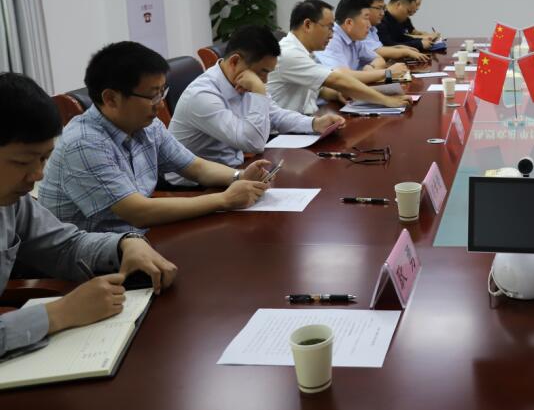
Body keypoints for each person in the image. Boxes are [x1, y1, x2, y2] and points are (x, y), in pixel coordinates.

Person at [0, 73, 178, 358]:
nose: (38, 174)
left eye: (44, 158)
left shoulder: (11, 202)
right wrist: (59, 313)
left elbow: (65, 246)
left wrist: (124, 244)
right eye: (22, 162)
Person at [38, 42, 272, 234]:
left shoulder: (147, 126)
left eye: (162, 92)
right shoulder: (84, 143)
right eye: (152, 95)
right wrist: (225, 199)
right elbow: (138, 212)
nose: (160, 104)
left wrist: (239, 176)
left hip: (137, 238)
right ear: (110, 99)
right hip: (92, 259)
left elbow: (196, 167)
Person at [169, 25, 345, 180]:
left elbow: (275, 114)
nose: (265, 80)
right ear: (235, 61)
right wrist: (258, 91)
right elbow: (253, 144)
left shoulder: (241, 81)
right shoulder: (203, 95)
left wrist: (314, 123)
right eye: (262, 72)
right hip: (195, 186)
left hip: (234, 170)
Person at [267, 0, 412, 115]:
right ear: (308, 25)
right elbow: (337, 79)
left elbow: (316, 88)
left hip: (304, 121)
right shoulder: (290, 53)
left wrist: (336, 94)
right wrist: (386, 101)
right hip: (282, 133)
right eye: (329, 27)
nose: (331, 34)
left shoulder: (305, 51)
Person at [316, 0, 409, 84]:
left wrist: (370, 67)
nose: (369, 25)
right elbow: (342, 77)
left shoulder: (354, 38)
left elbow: (379, 59)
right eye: (366, 18)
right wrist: (388, 73)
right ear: (349, 23)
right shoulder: (331, 39)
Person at [357, 0, 429, 64]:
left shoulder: (372, 28)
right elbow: (376, 51)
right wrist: (405, 52)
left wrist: (398, 48)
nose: (382, 13)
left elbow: (378, 48)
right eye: (379, 8)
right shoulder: (360, 29)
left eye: (383, 8)